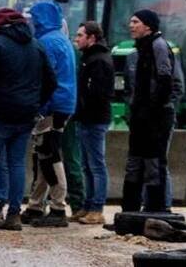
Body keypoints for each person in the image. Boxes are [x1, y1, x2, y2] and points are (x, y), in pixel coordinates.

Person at [0, 7, 57, 230]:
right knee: (16, 162)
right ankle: (14, 214)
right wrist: (36, 103)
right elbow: (51, 81)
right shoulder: (36, 46)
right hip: (25, 116)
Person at [22, 0, 77, 227]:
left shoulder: (46, 42)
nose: (31, 23)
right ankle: (36, 205)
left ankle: (57, 207)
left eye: (34, 18)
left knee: (50, 155)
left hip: (51, 107)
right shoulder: (61, 39)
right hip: (64, 104)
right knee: (45, 153)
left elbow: (46, 78)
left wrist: (39, 107)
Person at [122, 9, 178, 212]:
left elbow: (165, 80)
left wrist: (152, 109)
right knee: (135, 161)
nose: (131, 25)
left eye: (135, 22)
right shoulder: (140, 50)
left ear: (148, 26)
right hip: (141, 115)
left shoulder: (158, 46)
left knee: (154, 162)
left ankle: (156, 208)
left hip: (155, 116)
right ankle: (130, 209)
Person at [73, 21, 114, 225]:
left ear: (92, 38)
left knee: (96, 165)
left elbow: (97, 93)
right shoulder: (89, 58)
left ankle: (96, 208)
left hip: (94, 119)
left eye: (80, 35)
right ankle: (88, 205)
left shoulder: (98, 61)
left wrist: (83, 109)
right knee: (87, 165)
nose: (76, 39)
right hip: (86, 118)